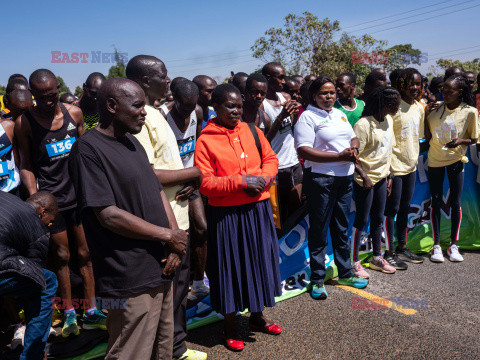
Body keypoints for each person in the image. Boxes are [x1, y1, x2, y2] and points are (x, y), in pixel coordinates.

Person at [69, 77, 188, 360]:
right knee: (131, 351)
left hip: (160, 267)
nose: (144, 112)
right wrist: (167, 236)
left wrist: (174, 241)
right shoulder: (88, 150)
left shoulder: (133, 143)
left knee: (162, 350)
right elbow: (108, 215)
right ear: (111, 105)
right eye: (137, 106)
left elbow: (157, 191)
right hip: (128, 276)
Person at [126, 55, 206, 360]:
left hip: (179, 211)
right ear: (146, 81)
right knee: (168, 290)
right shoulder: (139, 117)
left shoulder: (157, 112)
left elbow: (169, 164)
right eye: (163, 75)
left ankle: (176, 347)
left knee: (179, 288)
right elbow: (148, 172)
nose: (167, 80)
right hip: (164, 219)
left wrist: (188, 181)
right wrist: (194, 174)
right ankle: (171, 350)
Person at [14, 69, 104, 337]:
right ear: (32, 95)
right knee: (62, 257)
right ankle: (67, 314)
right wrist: (34, 200)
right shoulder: (25, 123)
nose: (48, 101)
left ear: (58, 89)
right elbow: (26, 165)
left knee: (86, 253)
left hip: (79, 196)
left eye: (52, 94)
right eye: (41, 97)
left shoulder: (73, 114)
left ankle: (91, 311)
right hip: (51, 201)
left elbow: (86, 153)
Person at [195, 84, 282, 352]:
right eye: (229, 107)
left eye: (238, 106)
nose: (235, 111)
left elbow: (271, 159)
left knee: (258, 263)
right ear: (216, 108)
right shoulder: (206, 140)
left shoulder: (252, 130)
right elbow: (205, 183)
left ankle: (256, 318)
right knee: (230, 268)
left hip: (258, 210)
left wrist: (263, 179)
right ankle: (230, 327)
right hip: (227, 215)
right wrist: (242, 182)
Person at [295, 76, 368, 300]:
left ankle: (345, 272)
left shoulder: (338, 113)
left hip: (344, 178)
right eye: (324, 94)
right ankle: (317, 279)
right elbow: (304, 151)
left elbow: (352, 137)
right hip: (321, 179)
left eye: (332, 93)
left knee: (341, 226)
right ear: (314, 96)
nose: (329, 97)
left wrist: (353, 147)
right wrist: (338, 155)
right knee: (319, 229)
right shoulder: (307, 117)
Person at [161, 79, 210, 307]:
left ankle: (199, 283)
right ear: (173, 98)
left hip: (190, 183)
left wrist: (194, 178)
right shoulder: (161, 117)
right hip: (167, 188)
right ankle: (173, 289)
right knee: (176, 238)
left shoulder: (197, 112)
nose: (188, 111)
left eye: (192, 106)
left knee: (201, 227)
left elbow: (198, 145)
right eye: (184, 106)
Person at [426, 75, 478, 262]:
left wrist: (460, 141)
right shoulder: (435, 109)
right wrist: (426, 114)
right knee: (436, 200)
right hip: (434, 160)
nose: (445, 93)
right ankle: (437, 245)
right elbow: (427, 135)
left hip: (456, 160)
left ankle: (453, 245)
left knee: (456, 203)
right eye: (443, 90)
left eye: (450, 90)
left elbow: (474, 138)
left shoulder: (470, 112)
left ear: (460, 91)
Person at [0, 191, 58, 360]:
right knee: (45, 281)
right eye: (51, 221)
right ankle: (34, 354)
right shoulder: (36, 224)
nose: (49, 226)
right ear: (42, 212)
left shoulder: (6, 198)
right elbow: (35, 276)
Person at [351, 86, 401, 277]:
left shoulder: (388, 120)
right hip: (364, 179)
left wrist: (390, 176)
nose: (397, 107)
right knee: (362, 220)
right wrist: (364, 176)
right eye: (394, 104)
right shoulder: (363, 125)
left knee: (378, 219)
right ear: (384, 104)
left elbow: (388, 151)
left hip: (382, 177)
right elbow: (354, 156)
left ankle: (376, 257)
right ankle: (354, 261)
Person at [384, 68, 425, 269]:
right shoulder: (394, 108)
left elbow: (420, 136)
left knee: (404, 210)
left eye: (418, 84)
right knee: (391, 210)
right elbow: (386, 140)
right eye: (411, 84)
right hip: (394, 168)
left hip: (411, 167)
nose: (415, 88)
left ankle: (402, 246)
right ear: (401, 85)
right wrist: (389, 172)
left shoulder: (419, 107)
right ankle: (388, 252)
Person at [262, 62, 302, 224]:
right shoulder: (261, 104)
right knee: (278, 215)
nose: (284, 82)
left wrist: (295, 113)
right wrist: (281, 117)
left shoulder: (285, 98)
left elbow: (293, 129)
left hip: (293, 161)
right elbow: (264, 140)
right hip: (275, 165)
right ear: (268, 78)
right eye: (281, 78)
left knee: (296, 209)